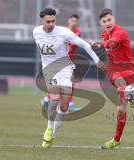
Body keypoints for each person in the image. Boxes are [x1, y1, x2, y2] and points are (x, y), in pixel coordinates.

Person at [33, 8, 105, 148]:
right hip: (50, 70)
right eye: (48, 21)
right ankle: (48, 129)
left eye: (53, 20)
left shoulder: (64, 32)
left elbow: (84, 44)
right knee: (54, 98)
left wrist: (97, 61)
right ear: (42, 21)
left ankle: (54, 132)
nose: (51, 24)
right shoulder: (36, 31)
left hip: (65, 69)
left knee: (64, 106)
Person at [90, 8, 134, 149]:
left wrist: (100, 44)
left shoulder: (120, 32)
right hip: (114, 69)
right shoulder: (104, 33)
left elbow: (111, 43)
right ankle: (131, 93)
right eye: (104, 21)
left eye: (109, 20)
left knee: (120, 109)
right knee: (119, 82)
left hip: (129, 69)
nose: (107, 23)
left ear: (114, 20)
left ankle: (116, 139)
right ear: (101, 23)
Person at [40, 14, 82, 112]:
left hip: (69, 61)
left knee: (66, 84)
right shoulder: (62, 31)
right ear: (69, 21)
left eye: (76, 21)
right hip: (60, 61)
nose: (74, 23)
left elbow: (74, 43)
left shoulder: (77, 32)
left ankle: (46, 99)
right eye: (72, 21)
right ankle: (69, 104)